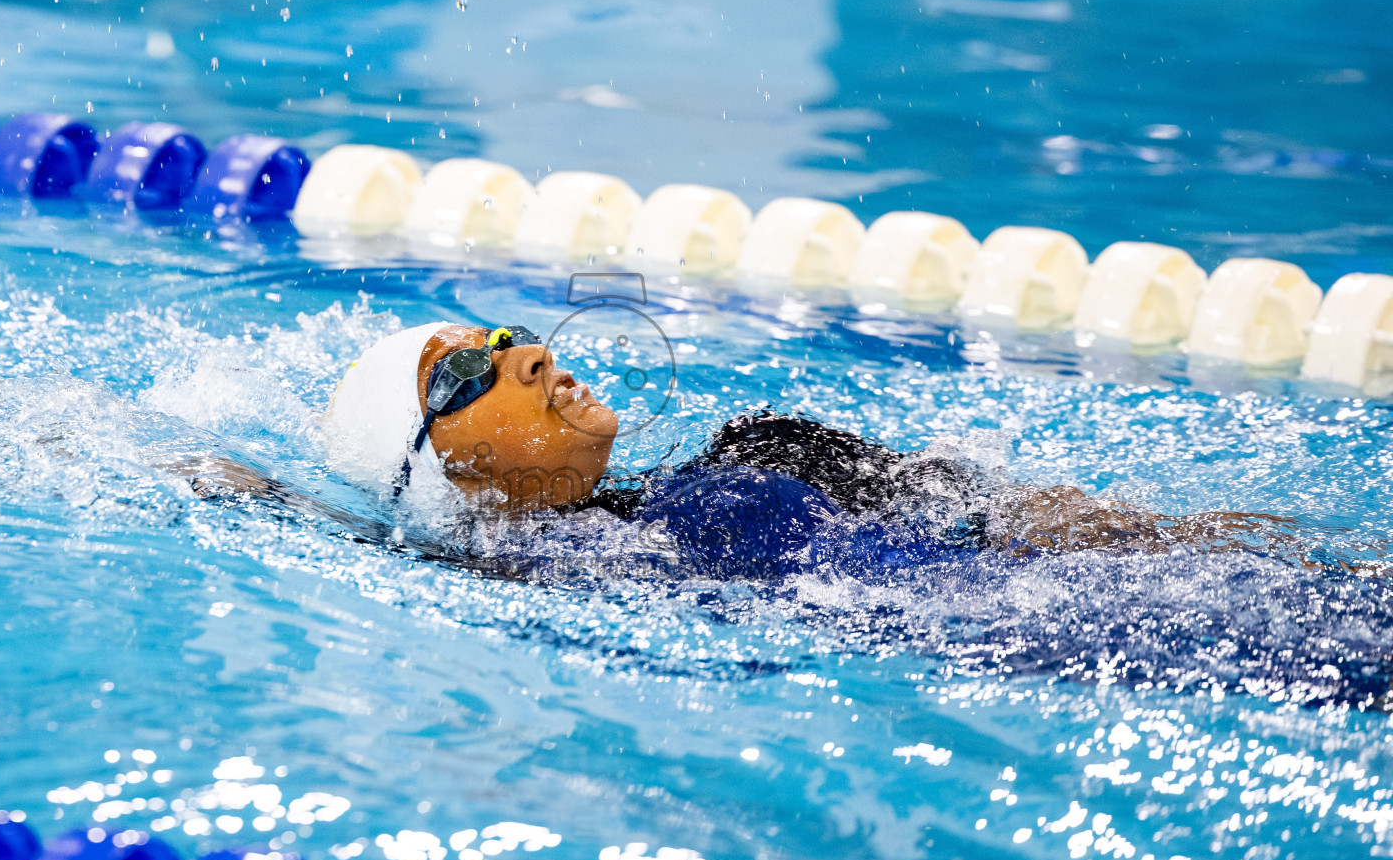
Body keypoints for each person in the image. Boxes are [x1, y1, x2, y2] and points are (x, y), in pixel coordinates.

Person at [184, 320, 1309, 583]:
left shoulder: (746, 452)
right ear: (448, 470)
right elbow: (402, 554)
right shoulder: (558, 568)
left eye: (503, 334)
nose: (523, 352)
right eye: (466, 377)